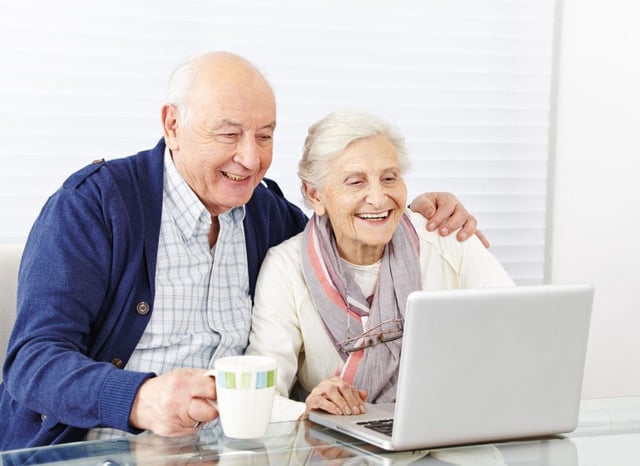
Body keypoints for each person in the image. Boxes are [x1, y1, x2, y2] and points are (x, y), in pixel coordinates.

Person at [0, 51, 482, 450]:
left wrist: (412, 212)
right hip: (102, 449)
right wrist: (138, 397)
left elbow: (339, 227)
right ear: (172, 125)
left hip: (237, 453)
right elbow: (31, 361)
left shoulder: (267, 215)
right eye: (229, 134)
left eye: (265, 135)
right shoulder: (94, 206)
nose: (250, 159)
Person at [245, 110, 515, 421]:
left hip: (453, 425)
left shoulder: (448, 239)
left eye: (389, 178)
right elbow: (260, 395)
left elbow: (518, 334)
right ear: (314, 194)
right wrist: (307, 410)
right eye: (355, 182)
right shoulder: (285, 268)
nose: (378, 197)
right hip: (337, 447)